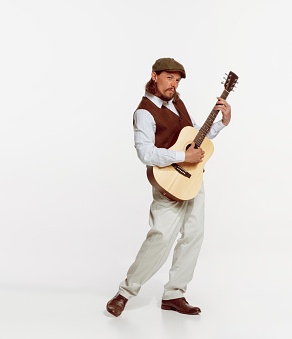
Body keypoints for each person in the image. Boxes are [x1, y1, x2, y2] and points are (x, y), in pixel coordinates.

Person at [106, 58, 231, 317]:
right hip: (168, 182)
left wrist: (222, 122)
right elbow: (145, 153)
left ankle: (174, 295)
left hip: (193, 179)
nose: (173, 84)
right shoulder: (144, 111)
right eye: (169, 77)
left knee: (194, 236)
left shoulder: (178, 103)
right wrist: (182, 158)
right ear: (154, 76)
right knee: (161, 237)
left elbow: (196, 136)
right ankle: (125, 293)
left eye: (177, 79)